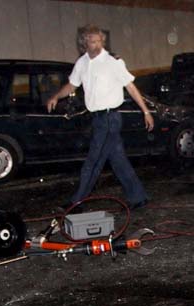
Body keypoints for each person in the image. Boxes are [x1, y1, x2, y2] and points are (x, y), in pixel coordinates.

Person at [47, 24, 152, 210]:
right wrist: (56, 96)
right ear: (84, 43)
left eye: (98, 41)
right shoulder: (82, 63)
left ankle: (77, 202)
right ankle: (139, 197)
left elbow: (130, 86)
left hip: (110, 119)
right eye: (91, 41)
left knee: (93, 161)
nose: (96, 45)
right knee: (118, 161)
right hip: (97, 118)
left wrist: (145, 111)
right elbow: (72, 85)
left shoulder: (113, 62)